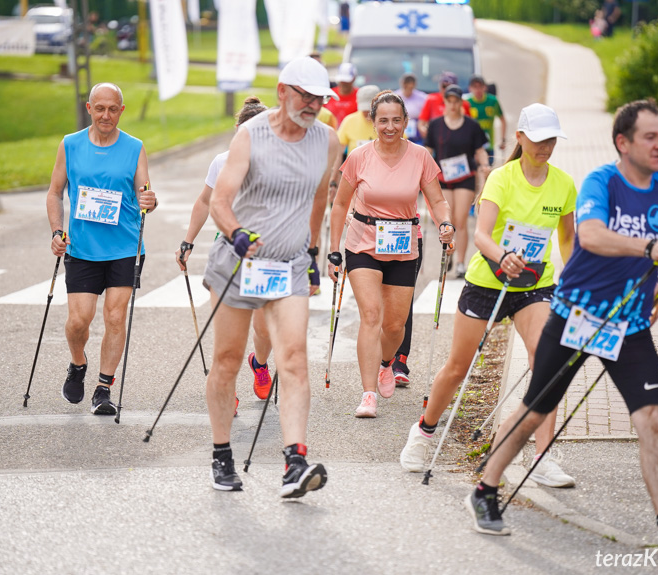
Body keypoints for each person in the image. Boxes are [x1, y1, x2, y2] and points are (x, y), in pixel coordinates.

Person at [464, 100, 658, 561]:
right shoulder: (602, 182)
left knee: (654, 420)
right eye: (650, 137)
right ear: (623, 143)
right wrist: (648, 247)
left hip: (630, 323)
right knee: (536, 410)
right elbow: (591, 237)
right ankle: (485, 488)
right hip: (578, 315)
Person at [401, 102, 577, 490]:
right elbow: (480, 235)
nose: (545, 146)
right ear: (519, 138)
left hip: (535, 286)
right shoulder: (501, 178)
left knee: (547, 365)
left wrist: (577, 279)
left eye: (551, 139)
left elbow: (568, 239)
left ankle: (542, 457)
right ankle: (424, 432)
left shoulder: (564, 184)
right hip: (488, 282)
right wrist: (503, 256)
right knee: (457, 368)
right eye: (537, 139)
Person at [203, 56, 341, 496]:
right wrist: (237, 233)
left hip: (289, 266)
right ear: (282, 91)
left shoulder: (327, 140)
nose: (314, 105)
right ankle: (222, 454)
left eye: (320, 98)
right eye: (306, 95)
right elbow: (219, 201)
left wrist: (315, 251)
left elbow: (320, 198)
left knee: (295, 359)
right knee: (226, 360)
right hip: (238, 262)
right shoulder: (251, 136)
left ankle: (294, 463)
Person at [328, 90, 454, 419]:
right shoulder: (359, 157)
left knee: (395, 326)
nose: (390, 126)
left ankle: (387, 363)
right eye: (383, 120)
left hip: (402, 245)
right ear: (373, 122)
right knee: (371, 315)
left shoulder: (420, 156)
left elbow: (437, 201)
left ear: (406, 122)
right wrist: (332, 250)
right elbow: (340, 204)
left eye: (396, 120)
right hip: (363, 243)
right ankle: (368, 393)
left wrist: (445, 224)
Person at [46, 83, 156, 415]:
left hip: (125, 246)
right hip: (82, 248)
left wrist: (149, 200)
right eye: (100, 108)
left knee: (115, 315)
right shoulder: (70, 144)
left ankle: (103, 388)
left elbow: (145, 193)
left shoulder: (135, 147)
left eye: (113, 109)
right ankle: (78, 364)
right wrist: (56, 231)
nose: (106, 115)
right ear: (89, 108)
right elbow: (54, 193)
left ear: (121, 110)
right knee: (79, 320)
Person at [176, 96, 273, 407]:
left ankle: (259, 363)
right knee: (227, 332)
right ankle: (227, 389)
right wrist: (188, 241)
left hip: (265, 252)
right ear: (237, 131)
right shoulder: (222, 161)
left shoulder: (278, 162)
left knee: (263, 329)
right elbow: (205, 201)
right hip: (229, 251)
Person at [425, 85, 491, 278]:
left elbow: (479, 150)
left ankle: (461, 262)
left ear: (461, 103)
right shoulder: (436, 125)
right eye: (449, 101)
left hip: (464, 177)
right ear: (444, 102)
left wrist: (485, 165)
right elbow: (428, 150)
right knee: (448, 220)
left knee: (461, 220)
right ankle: (448, 252)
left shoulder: (472, 125)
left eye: (456, 102)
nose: (453, 106)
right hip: (443, 177)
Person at [466, 74, 506, 167]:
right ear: (470, 88)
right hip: (472, 145)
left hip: (488, 145)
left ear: (485, 87)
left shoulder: (492, 101)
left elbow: (502, 119)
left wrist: (503, 140)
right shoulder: (467, 102)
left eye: (480, 86)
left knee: (487, 171)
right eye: (475, 87)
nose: (478, 90)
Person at [418, 71, 470, 140]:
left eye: (449, 87)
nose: (446, 90)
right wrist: (427, 132)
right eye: (444, 86)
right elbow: (422, 123)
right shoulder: (431, 99)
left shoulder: (464, 103)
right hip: (436, 139)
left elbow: (469, 126)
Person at [336, 84, 378, 155]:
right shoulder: (349, 120)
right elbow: (339, 149)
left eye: (370, 109)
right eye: (364, 110)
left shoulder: (387, 121)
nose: (367, 113)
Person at [395, 73, 428, 145]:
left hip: (417, 132)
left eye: (410, 85)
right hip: (399, 129)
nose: (408, 88)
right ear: (402, 84)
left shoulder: (422, 97)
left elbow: (427, 115)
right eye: (406, 84)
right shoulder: (395, 97)